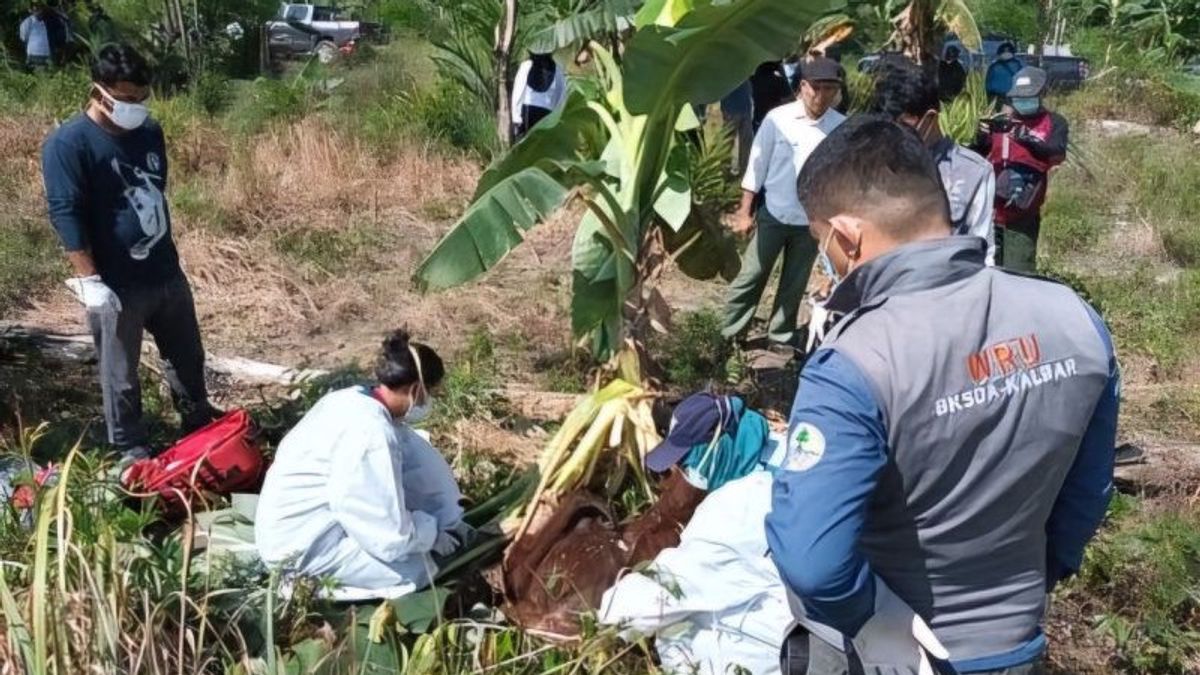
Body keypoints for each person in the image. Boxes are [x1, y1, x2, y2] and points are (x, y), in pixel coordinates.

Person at [765, 115, 1117, 672]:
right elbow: (1087, 494)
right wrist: (1026, 583)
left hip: (893, 655)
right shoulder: (1074, 319)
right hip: (1016, 641)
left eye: (820, 243)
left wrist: (874, 621)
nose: (825, 261)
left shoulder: (853, 363)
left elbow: (812, 561)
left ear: (847, 235)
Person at [42, 44, 219, 464]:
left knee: (187, 358)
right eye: (125, 100)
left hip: (165, 272)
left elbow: (156, 190)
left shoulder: (148, 132)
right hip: (115, 283)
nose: (135, 108)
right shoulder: (69, 145)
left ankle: (198, 425)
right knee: (120, 376)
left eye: (142, 99)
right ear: (99, 92)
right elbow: (65, 211)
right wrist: (89, 280)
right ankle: (129, 448)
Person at [255, 330, 469, 600]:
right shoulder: (371, 434)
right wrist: (429, 532)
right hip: (303, 553)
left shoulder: (353, 398)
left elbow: (407, 463)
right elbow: (388, 536)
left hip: (289, 532)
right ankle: (310, 590)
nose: (430, 402)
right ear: (416, 389)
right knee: (422, 567)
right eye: (431, 393)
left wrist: (442, 513)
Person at [722, 57, 846, 350]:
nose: (822, 95)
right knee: (751, 276)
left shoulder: (840, 127)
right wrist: (744, 211)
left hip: (811, 222)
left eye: (829, 89)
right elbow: (756, 165)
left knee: (794, 282)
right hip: (774, 214)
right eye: (816, 87)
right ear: (802, 87)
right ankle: (729, 335)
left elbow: (842, 175)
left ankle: (781, 336)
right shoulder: (778, 119)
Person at [873, 62, 996, 264]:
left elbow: (983, 249)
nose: (894, 136)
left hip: (947, 287)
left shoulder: (972, 172)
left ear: (930, 117)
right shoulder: (876, 163)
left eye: (903, 126)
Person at [973, 66, 1069, 272]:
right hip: (989, 211)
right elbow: (979, 153)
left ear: (1041, 94)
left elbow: (1056, 152)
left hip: (1023, 211)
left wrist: (1027, 138)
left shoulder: (1054, 123)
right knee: (987, 270)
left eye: (1029, 97)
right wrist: (979, 136)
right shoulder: (1001, 121)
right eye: (1018, 98)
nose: (1022, 102)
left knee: (1019, 271)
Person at [510, 51, 567, 139]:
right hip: (546, 113)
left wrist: (516, 118)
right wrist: (554, 114)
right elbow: (560, 96)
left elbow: (518, 92)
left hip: (528, 110)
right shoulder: (557, 69)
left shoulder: (526, 65)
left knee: (526, 144)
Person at [720, 80, 754, 175]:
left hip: (745, 107)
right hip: (731, 108)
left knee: (746, 142)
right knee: (727, 142)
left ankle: (744, 171)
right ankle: (725, 171)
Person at [19, 4, 53, 68]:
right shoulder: (28, 22)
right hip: (33, 55)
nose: (38, 11)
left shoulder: (46, 22)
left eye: (40, 9)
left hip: (45, 55)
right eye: (36, 9)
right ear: (31, 10)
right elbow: (23, 37)